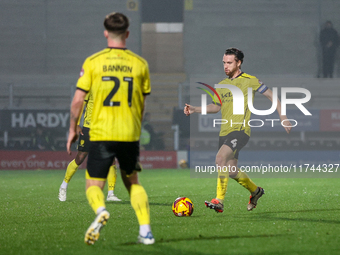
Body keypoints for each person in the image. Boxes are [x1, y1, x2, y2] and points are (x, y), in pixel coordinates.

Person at [66, 12, 154, 245]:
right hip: (128, 133)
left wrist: (72, 128)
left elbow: (77, 101)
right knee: (133, 182)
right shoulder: (140, 64)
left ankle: (101, 211)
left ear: (106, 33)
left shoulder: (93, 62)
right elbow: (141, 104)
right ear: (127, 34)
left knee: (93, 184)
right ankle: (145, 230)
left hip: (101, 133)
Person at [184, 48, 292, 213]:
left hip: (240, 131)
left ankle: (219, 200)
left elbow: (272, 97)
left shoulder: (250, 80)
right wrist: (195, 109)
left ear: (239, 62)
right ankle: (256, 191)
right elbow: (216, 107)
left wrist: (283, 116)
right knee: (232, 170)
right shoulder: (221, 85)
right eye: (224, 63)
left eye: (229, 62)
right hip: (224, 132)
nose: (225, 66)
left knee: (220, 159)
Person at [58, 92, 121, 202]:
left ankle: (110, 194)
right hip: (89, 128)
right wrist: (77, 124)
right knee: (80, 158)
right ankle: (63, 186)